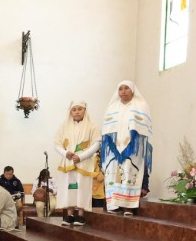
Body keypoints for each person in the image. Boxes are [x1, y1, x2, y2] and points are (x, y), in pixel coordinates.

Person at [101, 80, 153, 216]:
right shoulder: (112, 107)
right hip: (114, 147)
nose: (123, 91)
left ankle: (128, 206)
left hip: (133, 147)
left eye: (126, 88)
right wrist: (113, 145)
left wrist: (132, 143)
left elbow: (144, 128)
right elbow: (107, 129)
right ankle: (114, 204)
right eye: (120, 89)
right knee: (113, 173)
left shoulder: (140, 105)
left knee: (130, 172)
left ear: (132, 90)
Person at [53, 101, 99, 225]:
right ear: (70, 112)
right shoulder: (64, 126)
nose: (77, 112)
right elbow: (57, 144)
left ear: (85, 110)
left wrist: (81, 156)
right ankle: (69, 215)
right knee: (70, 188)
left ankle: (81, 215)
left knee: (82, 188)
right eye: (74, 109)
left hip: (83, 163)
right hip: (68, 163)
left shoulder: (92, 126)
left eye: (79, 109)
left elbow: (96, 144)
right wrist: (65, 153)